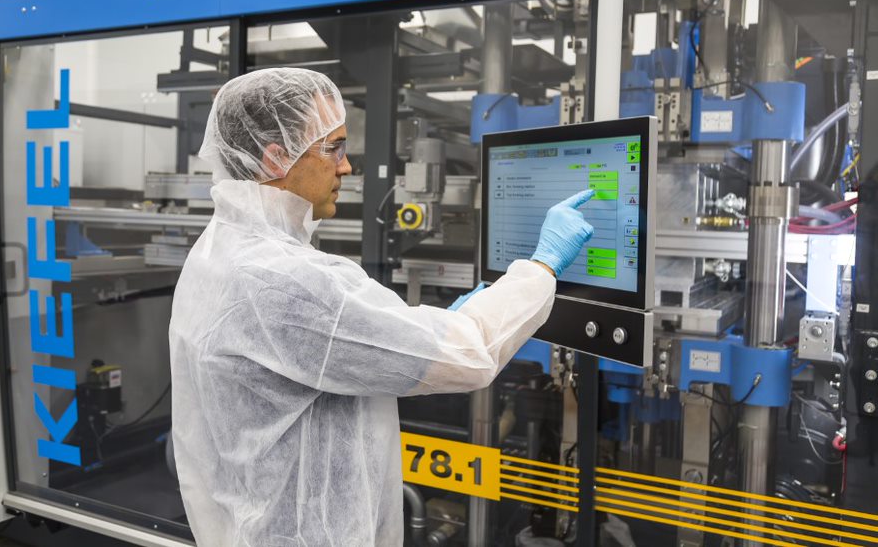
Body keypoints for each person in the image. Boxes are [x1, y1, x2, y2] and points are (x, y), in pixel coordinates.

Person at [169, 68, 595, 546]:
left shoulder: (218, 250)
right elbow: (469, 356)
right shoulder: (285, 279)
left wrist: (437, 325)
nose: (347, 167)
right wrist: (542, 266)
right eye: (332, 148)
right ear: (275, 158)